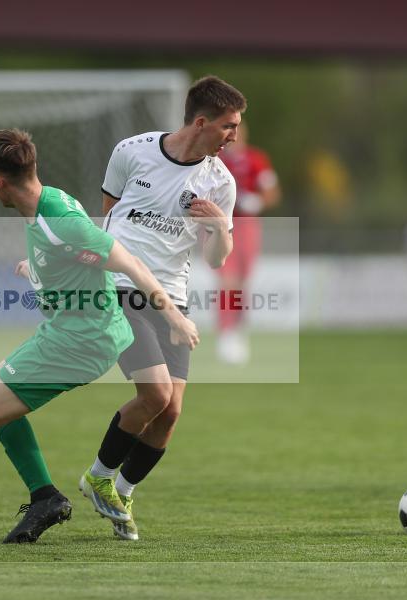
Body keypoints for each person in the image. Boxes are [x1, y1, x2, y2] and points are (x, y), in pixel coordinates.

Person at [0, 128, 199, 546]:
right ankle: (44, 497)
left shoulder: (58, 220)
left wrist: (174, 317)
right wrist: (37, 267)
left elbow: (128, 261)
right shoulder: (49, 202)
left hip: (80, 340)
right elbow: (70, 254)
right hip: (70, 330)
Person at [78, 76, 245, 541]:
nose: (234, 134)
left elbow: (217, 259)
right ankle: (96, 477)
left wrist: (220, 229)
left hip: (174, 296)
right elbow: (109, 214)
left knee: (170, 414)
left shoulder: (221, 182)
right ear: (201, 122)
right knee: (155, 396)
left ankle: (122, 494)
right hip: (121, 286)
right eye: (229, 126)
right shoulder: (132, 151)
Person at [216, 120, 281, 364]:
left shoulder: (256, 159)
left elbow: (272, 192)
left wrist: (258, 201)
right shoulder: (216, 160)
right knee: (227, 280)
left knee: (242, 283)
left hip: (248, 226)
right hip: (221, 225)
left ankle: (238, 330)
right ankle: (226, 333)